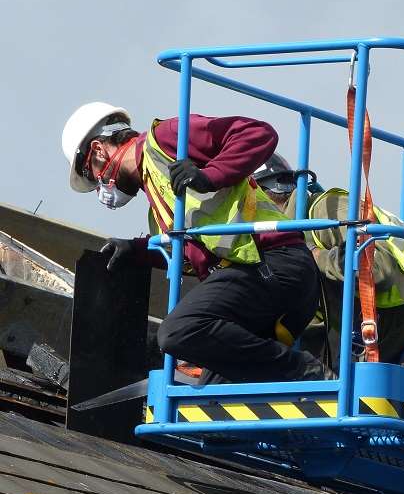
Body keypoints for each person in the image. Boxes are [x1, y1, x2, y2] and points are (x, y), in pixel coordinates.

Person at [61, 102, 329, 385]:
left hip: (274, 263)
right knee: (210, 398)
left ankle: (306, 372)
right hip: (255, 283)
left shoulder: (166, 138)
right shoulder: (159, 204)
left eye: (92, 175)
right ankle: (292, 399)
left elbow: (259, 133)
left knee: (178, 331)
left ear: (98, 150)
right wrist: (136, 249)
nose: (99, 187)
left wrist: (209, 175)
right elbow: (187, 253)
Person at [253, 156, 404, 383]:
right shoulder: (287, 242)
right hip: (395, 336)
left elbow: (375, 267)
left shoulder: (325, 212)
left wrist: (314, 256)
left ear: (259, 194)